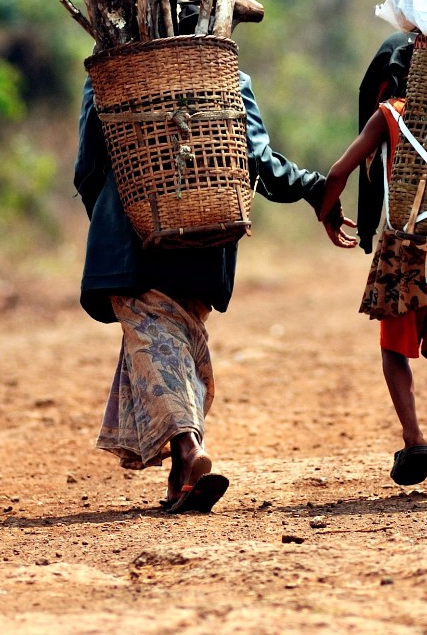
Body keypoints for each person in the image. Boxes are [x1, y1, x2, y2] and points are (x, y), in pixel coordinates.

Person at [74, 60, 340, 514]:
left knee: (154, 347)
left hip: (134, 238)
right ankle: (182, 479)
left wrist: (113, 221)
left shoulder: (111, 76)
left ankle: (187, 448)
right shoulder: (228, 78)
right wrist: (315, 189)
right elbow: (258, 162)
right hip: (205, 238)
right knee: (176, 348)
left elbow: (89, 167)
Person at [316, 31, 427, 497]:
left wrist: (327, 211)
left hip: (406, 252)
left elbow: (339, 172)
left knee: (395, 348)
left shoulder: (391, 115)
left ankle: (414, 437)